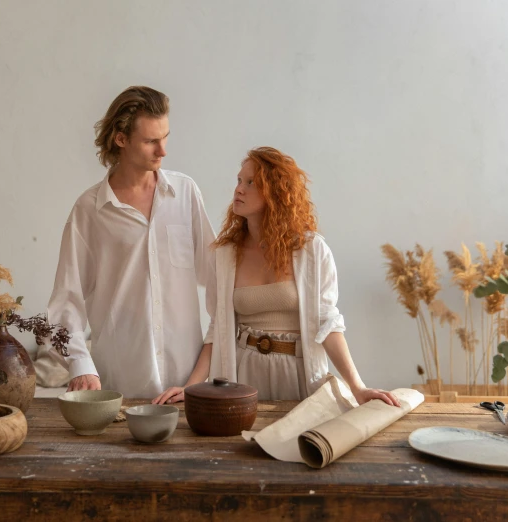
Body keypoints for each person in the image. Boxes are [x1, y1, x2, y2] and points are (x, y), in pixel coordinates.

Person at [153, 147, 399, 406]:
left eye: (251, 183)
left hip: (296, 375)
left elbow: (328, 324)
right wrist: (191, 387)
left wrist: (358, 388)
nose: (239, 189)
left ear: (276, 193)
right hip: (242, 378)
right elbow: (217, 327)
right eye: (239, 181)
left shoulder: (312, 251)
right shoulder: (224, 254)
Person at [43, 86, 216, 398]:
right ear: (120, 139)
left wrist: (200, 375)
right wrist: (80, 363)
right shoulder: (89, 211)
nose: (162, 150)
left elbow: (219, 278)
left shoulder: (186, 194)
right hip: (120, 387)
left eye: (165, 137)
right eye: (151, 141)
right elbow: (66, 300)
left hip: (187, 389)